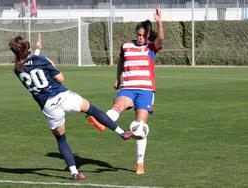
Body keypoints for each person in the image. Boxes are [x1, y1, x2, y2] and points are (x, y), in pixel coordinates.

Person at [9, 35, 133, 181]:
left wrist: (37, 50)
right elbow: (61, 78)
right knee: (92, 110)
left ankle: (75, 173)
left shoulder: (17, 69)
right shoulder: (41, 60)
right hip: (63, 96)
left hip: (49, 107)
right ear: (28, 48)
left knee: (61, 140)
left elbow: (29, 63)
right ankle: (121, 132)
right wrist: (51, 64)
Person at [88, 8, 164, 175]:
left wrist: (159, 21)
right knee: (118, 105)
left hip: (145, 91)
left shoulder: (151, 48)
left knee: (140, 126)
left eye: (143, 35)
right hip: (128, 87)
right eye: (138, 35)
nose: (140, 38)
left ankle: (139, 163)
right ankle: (102, 122)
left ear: (148, 35)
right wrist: (118, 78)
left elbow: (161, 39)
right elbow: (121, 62)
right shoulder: (126, 46)